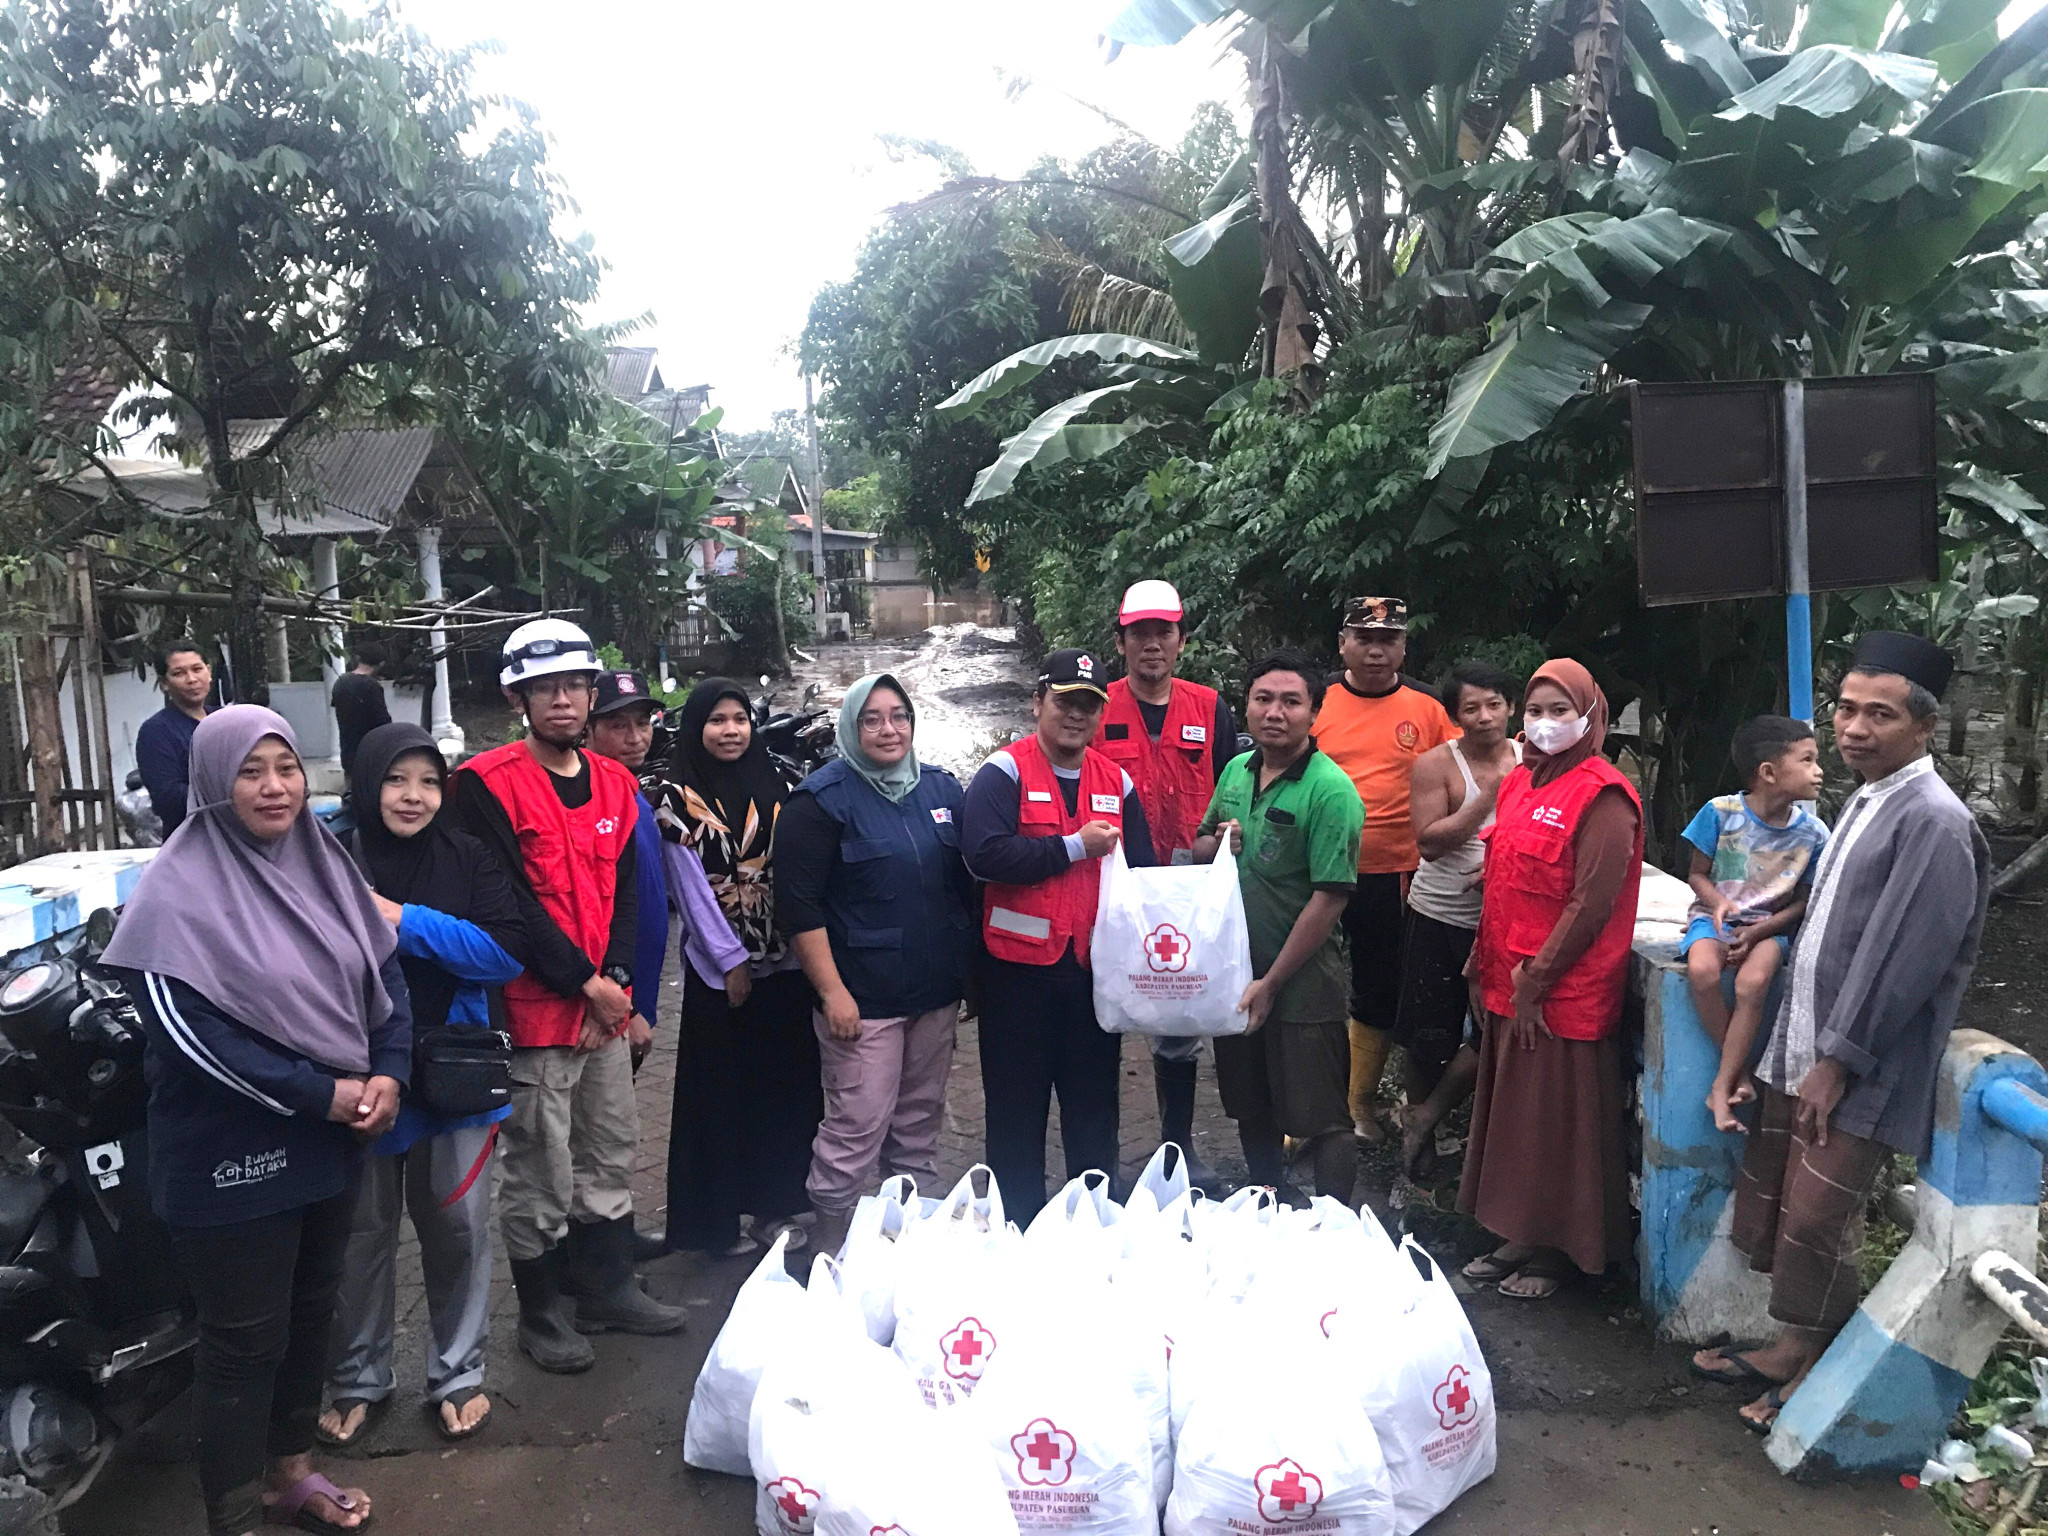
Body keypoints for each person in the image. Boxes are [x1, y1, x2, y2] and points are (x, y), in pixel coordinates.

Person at [102, 706, 410, 1536]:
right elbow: (191, 1037)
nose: (275, 787)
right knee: (243, 1341)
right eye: (250, 771)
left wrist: (390, 1070)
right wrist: (323, 1094)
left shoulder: (325, 863)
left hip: (331, 1139)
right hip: (229, 1153)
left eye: (286, 767)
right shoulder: (174, 895)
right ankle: (233, 1514)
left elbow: (382, 972)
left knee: (312, 1312)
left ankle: (289, 1474)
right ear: (211, 781)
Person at [1692, 633, 1990, 1433]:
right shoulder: (1865, 799)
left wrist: (1839, 1061)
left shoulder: (1934, 821)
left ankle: (1816, 1368)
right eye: (1847, 710)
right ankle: (1791, 1345)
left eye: (1879, 714)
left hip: (1860, 1064)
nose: (1855, 729)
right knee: (1791, 1205)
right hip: (1806, 1045)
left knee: (1824, 1213)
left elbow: (1908, 961)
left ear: (1924, 726)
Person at [449, 618, 681, 1375]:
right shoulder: (484, 786)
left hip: (602, 1013)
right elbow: (506, 905)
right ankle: (542, 1312)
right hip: (536, 1016)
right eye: (543, 687)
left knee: (610, 1148)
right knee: (539, 1168)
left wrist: (616, 985)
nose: (561, 700)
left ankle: (606, 1288)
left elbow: (627, 897)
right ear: (516, 698)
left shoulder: (616, 782)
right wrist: (585, 988)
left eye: (574, 685)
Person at [317, 724, 526, 1450]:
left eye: (430, 781)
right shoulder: (331, 856)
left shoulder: (468, 858)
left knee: (459, 1230)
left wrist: (401, 919)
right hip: (355, 1073)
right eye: (396, 780)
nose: (414, 796)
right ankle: (357, 1379)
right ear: (367, 783)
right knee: (358, 1235)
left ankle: (458, 1374)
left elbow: (503, 954)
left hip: (454, 1077)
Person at [1458, 658, 1641, 1301]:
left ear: (1590, 716)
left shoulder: (1605, 796)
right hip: (1510, 980)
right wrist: (1481, 962)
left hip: (1561, 991)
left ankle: (1562, 1251)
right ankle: (1520, 1233)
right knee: (1517, 1121)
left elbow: (1591, 904)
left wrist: (1537, 979)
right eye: (1535, 711)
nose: (1544, 723)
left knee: (1560, 1123)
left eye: (1560, 711)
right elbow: (1504, 879)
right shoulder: (1520, 783)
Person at [775, 673, 974, 1261]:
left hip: (934, 993)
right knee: (857, 1123)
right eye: (872, 719)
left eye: (899, 716)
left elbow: (967, 888)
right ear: (851, 727)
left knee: (919, 1121)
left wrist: (971, 977)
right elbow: (799, 907)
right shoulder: (820, 802)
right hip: (863, 1001)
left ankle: (905, 1237)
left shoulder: (941, 789)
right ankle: (829, 1238)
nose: (889, 730)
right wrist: (832, 992)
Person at [961, 648, 1156, 1223]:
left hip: (1092, 976)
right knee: (1015, 1113)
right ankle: (1017, 1226)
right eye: (1064, 701)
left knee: (1094, 1111)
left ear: (1100, 715)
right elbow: (982, 856)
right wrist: (1073, 847)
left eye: (1088, 706)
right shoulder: (1005, 773)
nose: (1076, 715)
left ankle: (1091, 1223)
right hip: (1015, 976)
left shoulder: (1116, 782)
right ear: (1038, 702)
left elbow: (1141, 872)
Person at [655, 678, 821, 1258]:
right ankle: (713, 1225)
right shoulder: (675, 800)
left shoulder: (778, 784)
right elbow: (690, 892)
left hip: (786, 963)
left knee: (783, 1089)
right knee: (718, 1096)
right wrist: (730, 962)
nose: (731, 731)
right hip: (719, 971)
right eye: (717, 720)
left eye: (740, 720)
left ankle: (776, 1206)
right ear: (695, 728)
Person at [1193, 651, 1365, 1204]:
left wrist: (1271, 983)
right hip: (1235, 971)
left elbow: (1330, 898)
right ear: (1246, 706)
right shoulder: (1235, 771)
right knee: (1251, 1102)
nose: (1275, 712)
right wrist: (1217, 843)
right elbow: (1199, 844)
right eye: (1263, 699)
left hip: (1302, 982)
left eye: (1291, 701)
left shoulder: (1330, 790)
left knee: (1323, 1116)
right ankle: (1269, 1199)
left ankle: (1336, 1223)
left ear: (1314, 712)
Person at [1098, 579, 1238, 1192]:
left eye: (1163, 632)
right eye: (1139, 634)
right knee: (1102, 1009)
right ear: (1121, 642)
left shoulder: (1210, 708)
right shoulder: (1097, 706)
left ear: (1181, 640)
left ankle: (1177, 1150)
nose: (1151, 644)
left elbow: (1232, 786)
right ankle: (1097, 1152)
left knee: (1178, 1018)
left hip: (1186, 888)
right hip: (1112, 883)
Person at [1313, 597, 1458, 1143]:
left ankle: (1357, 1106)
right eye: (1364, 638)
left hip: (1395, 870)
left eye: (1388, 639)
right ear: (1343, 643)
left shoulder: (1427, 706)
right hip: (1317, 869)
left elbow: (1461, 772)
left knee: (1378, 987)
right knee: (1307, 984)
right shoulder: (1316, 698)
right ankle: (1303, 1107)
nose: (1376, 650)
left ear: (1403, 646)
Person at [1396, 663, 1522, 1180]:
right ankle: (1420, 1141)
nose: (1485, 717)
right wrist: (1492, 795)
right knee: (1428, 1033)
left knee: (1496, 1026)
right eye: (1471, 708)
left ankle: (1429, 1115)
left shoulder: (1532, 761)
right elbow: (1429, 842)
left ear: (1511, 707)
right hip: (1441, 914)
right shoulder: (1436, 765)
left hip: (1509, 920)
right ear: (1455, 717)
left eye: (1494, 704)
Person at [1680, 716, 1829, 1133]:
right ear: (1769, 772)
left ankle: (1721, 1086)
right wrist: (1719, 903)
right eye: (1807, 760)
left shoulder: (1814, 834)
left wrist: (1761, 930)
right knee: (1703, 971)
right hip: (1714, 918)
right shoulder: (1719, 813)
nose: (1819, 771)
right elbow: (1696, 874)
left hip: (1770, 927)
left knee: (1753, 983)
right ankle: (1739, 1072)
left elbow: (1804, 901)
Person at [134, 640, 213, 837]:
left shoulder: (227, 719)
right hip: (191, 840)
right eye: (179, 673)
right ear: (164, 684)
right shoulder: (156, 731)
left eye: (197, 669)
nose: (191, 679)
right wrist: (231, 794)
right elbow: (167, 799)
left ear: (209, 672)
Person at [330, 643, 392, 778]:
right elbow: (383, 722)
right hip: (372, 753)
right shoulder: (371, 686)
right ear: (381, 664)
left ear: (358, 658)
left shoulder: (341, 682)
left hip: (348, 752)